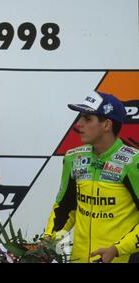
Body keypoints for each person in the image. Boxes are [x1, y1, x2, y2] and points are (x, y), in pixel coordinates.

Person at [44, 91, 139, 263]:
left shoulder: (133, 162)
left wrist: (117, 249)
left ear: (107, 125)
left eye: (87, 119)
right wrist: (48, 241)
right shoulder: (73, 158)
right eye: (80, 118)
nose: (78, 124)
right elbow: (65, 208)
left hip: (120, 258)